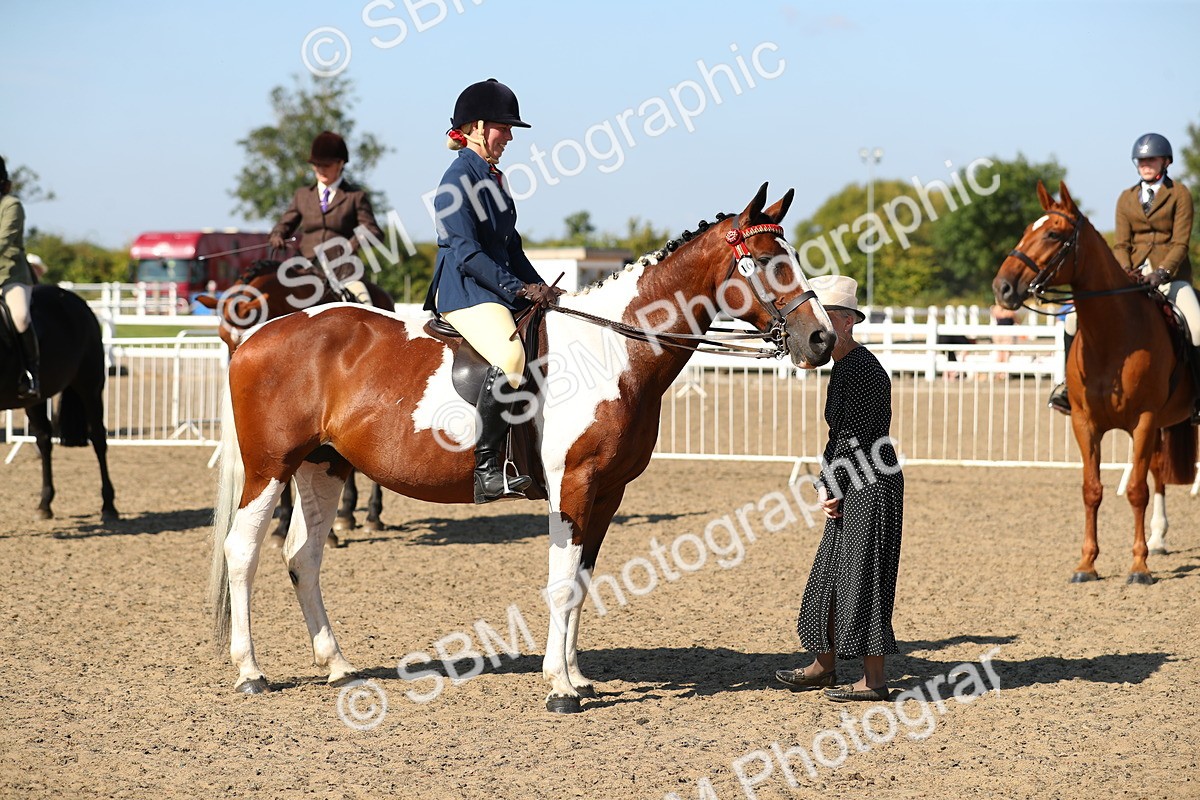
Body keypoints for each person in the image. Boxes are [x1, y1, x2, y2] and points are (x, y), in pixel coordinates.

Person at [423, 78, 563, 504]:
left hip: (492, 286)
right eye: (505, 127)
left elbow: (510, 247)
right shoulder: (456, 179)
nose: (510, 136)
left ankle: (525, 459)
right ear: (479, 127)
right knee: (511, 355)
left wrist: (540, 289)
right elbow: (465, 252)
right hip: (464, 290)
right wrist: (515, 288)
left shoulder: (492, 178)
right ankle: (486, 468)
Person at [775, 275, 904, 702]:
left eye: (824, 316)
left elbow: (855, 437)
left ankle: (873, 682)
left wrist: (832, 486)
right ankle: (824, 665)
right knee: (832, 575)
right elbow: (844, 438)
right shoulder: (848, 366)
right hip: (855, 480)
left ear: (846, 322)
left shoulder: (861, 370)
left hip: (870, 483)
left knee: (862, 577)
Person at [1049, 132, 1198, 415]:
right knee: (1070, 319)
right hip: (1132, 278)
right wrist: (1126, 273)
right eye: (1141, 160)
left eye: (1151, 159)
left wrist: (1163, 272)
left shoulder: (1179, 194)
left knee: (1197, 323)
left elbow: (1180, 242)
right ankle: (1068, 388)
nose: (1145, 164)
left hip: (1171, 278)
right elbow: (1121, 244)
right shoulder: (1126, 198)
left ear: (1165, 161)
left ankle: (1198, 396)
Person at [269, 131, 383, 305]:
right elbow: (285, 223)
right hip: (304, 269)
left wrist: (352, 244)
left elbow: (373, 230)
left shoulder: (355, 196)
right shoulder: (303, 195)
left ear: (340, 163)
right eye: (317, 165)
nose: (321, 170)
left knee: (365, 304)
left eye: (326, 165)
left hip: (343, 270)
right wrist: (277, 235)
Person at [0, 156, 40, 399]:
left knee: (21, 317)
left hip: (10, 275)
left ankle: (31, 373)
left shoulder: (11, 205)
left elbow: (4, 240)